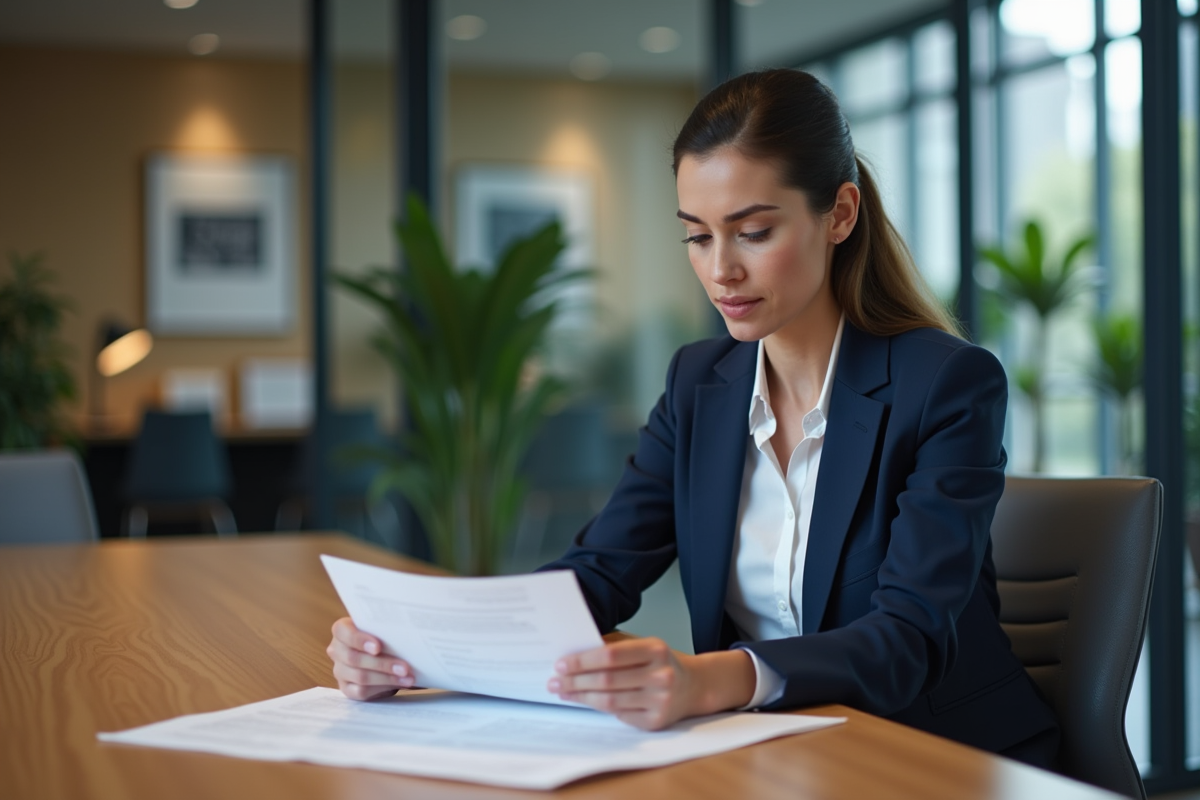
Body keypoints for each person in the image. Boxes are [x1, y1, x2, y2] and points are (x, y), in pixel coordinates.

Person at [326, 68, 1060, 768]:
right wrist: (417, 647)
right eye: (699, 235)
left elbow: (907, 641)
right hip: (775, 754)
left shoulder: (947, 384)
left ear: (839, 214)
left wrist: (709, 679)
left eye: (753, 232)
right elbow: (599, 573)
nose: (720, 271)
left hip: (935, 755)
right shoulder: (697, 385)